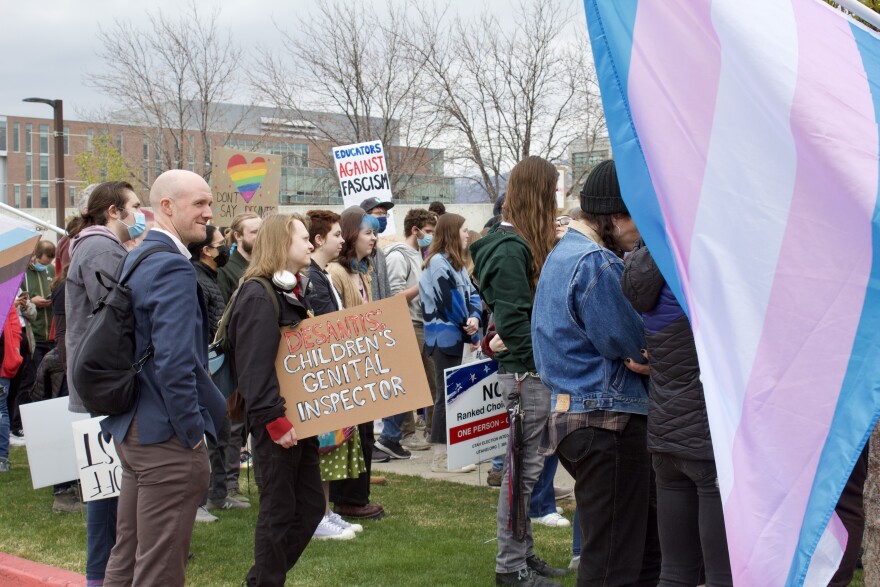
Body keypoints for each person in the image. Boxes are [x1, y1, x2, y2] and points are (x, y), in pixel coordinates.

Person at [532, 159, 660, 586]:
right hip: (608, 421)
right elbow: (635, 343)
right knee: (612, 564)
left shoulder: (563, 253)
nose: (639, 234)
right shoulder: (597, 262)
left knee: (625, 551)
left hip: (579, 418)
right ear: (614, 217)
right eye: (636, 222)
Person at [101, 170, 226, 587]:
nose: (209, 213)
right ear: (167, 207)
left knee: (129, 552)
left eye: (209, 204)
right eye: (199, 204)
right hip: (165, 437)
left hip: (135, 427)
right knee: (159, 566)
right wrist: (191, 431)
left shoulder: (138, 255)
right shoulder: (172, 266)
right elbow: (176, 363)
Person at [470, 156, 568, 587]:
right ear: (537, 193)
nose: (557, 198)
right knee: (521, 471)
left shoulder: (510, 242)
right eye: (553, 191)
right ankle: (510, 567)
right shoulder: (509, 247)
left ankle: (522, 555)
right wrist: (537, 364)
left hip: (526, 369)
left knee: (526, 469)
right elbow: (513, 320)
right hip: (526, 374)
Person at [621, 237, 732, 586]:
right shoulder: (700, 266)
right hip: (706, 438)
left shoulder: (646, 267)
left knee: (675, 571)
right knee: (721, 576)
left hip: (666, 433)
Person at [227, 213, 324, 585]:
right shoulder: (257, 293)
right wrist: (275, 420)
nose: (311, 245)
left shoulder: (287, 289)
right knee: (279, 510)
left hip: (299, 418)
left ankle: (262, 579)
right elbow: (254, 367)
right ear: (283, 244)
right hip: (278, 422)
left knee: (311, 506)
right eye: (303, 239)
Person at [65, 181, 147, 583]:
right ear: (113, 211)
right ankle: (101, 573)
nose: (140, 211)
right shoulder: (99, 248)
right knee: (107, 486)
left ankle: (111, 567)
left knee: (112, 483)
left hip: (99, 380)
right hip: (101, 383)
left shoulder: (101, 246)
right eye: (134, 205)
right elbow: (118, 312)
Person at [304, 209, 367, 541]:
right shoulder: (312, 277)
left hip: (334, 372)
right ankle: (318, 516)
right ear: (319, 240)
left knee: (330, 449)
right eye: (337, 235)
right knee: (323, 449)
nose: (343, 240)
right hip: (322, 375)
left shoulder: (323, 273)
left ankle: (325, 511)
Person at [325, 207, 385, 521]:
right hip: (348, 367)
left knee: (365, 435)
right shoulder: (336, 272)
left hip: (362, 364)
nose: (373, 238)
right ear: (351, 235)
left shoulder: (360, 272)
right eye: (368, 232)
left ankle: (357, 496)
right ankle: (348, 499)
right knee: (354, 435)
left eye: (374, 233)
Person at [187, 225, 250, 516]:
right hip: (206, 367)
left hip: (217, 364)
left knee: (222, 432)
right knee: (208, 436)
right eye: (220, 244)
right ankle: (199, 500)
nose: (225, 248)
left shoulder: (210, 277)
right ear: (206, 251)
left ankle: (219, 495)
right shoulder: (196, 280)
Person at [419, 213, 482, 473]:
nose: (467, 235)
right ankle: (440, 457)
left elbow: (474, 294)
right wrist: (472, 331)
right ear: (452, 232)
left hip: (456, 338)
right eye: (464, 230)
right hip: (443, 339)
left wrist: (476, 317)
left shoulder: (455, 264)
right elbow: (450, 303)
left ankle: (451, 452)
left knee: (452, 396)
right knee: (445, 398)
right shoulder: (436, 263)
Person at [384, 208, 437, 453]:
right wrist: (422, 285)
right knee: (409, 382)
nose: (431, 236)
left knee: (431, 380)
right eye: (427, 232)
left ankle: (430, 429)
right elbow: (395, 296)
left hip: (423, 322)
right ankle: (406, 433)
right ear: (414, 230)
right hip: (407, 323)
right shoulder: (397, 257)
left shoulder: (419, 254)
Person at [218, 212, 262, 302]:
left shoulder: (266, 265)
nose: (260, 236)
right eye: (254, 232)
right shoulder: (224, 268)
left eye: (262, 231)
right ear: (237, 236)